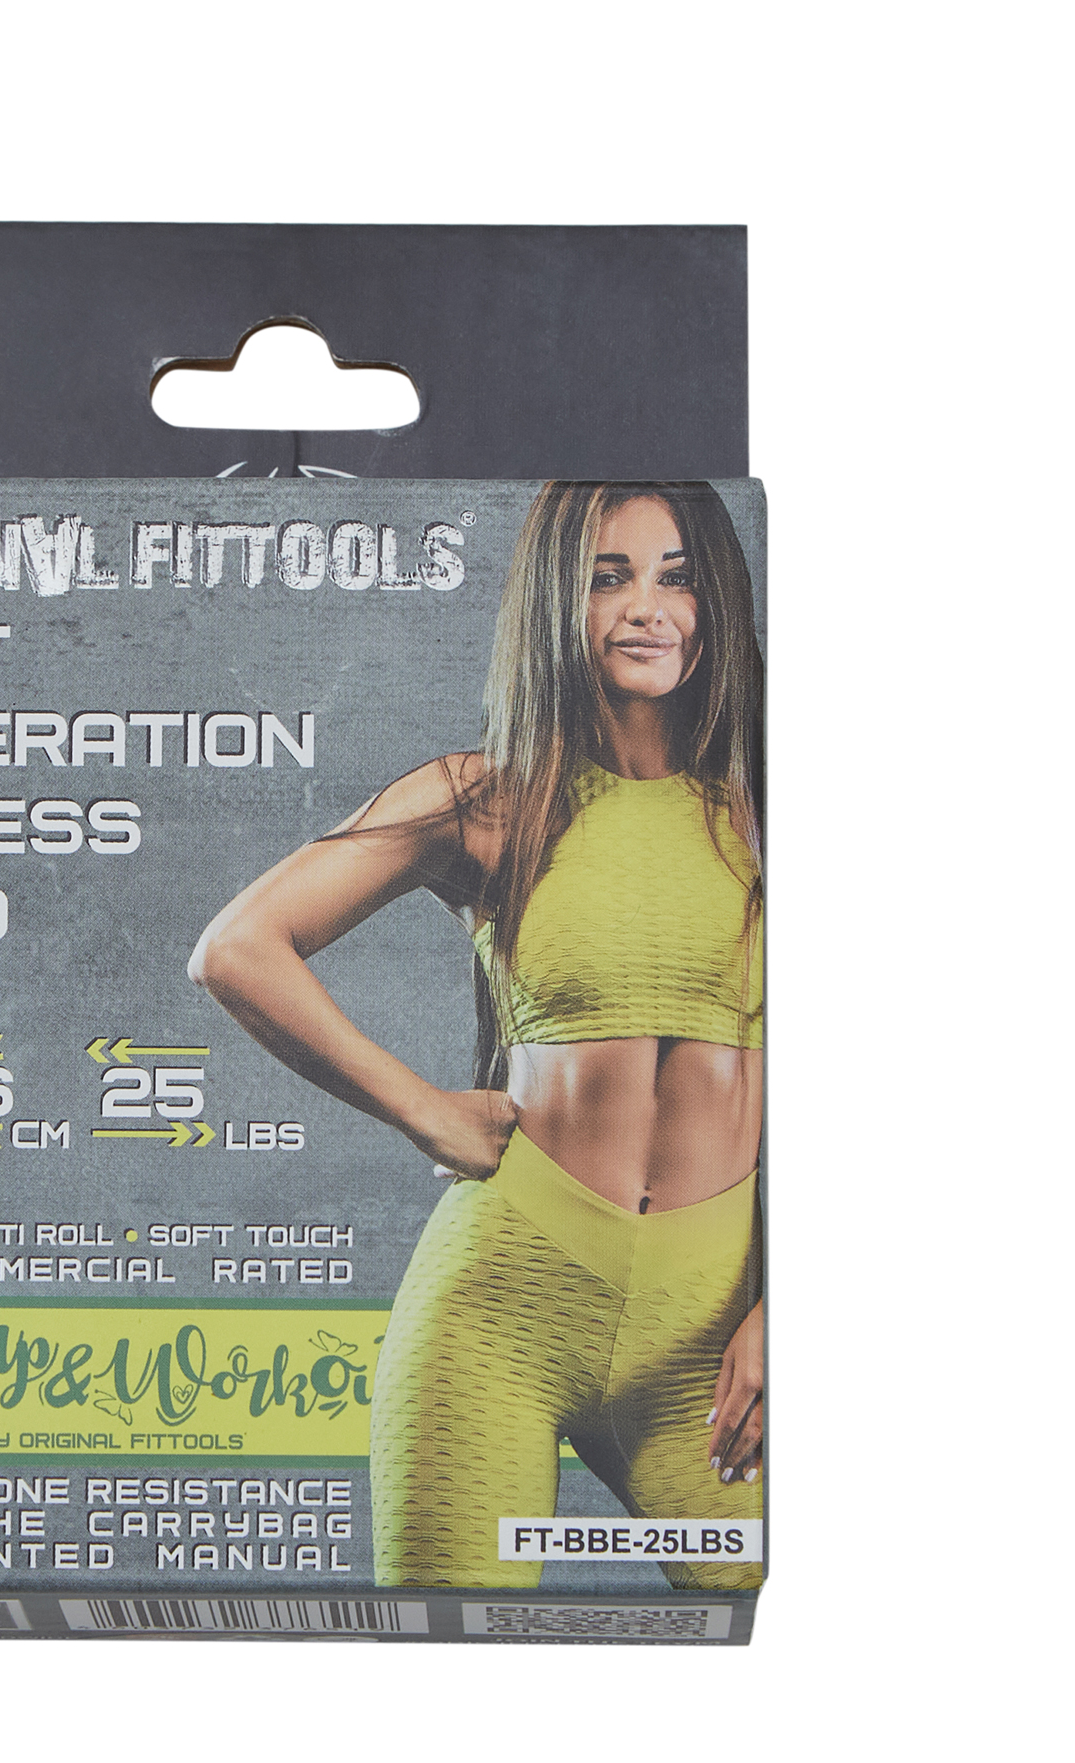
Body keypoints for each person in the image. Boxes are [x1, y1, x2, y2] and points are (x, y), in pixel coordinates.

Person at [187, 481, 765, 1591]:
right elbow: (239, 947)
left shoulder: (766, 813)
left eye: (678, 577)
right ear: (555, 598)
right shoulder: (487, 798)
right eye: (608, 578)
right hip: (499, 1307)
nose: (647, 608)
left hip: (711, 1328)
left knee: (782, 1628)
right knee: (443, 1651)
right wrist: (423, 1111)